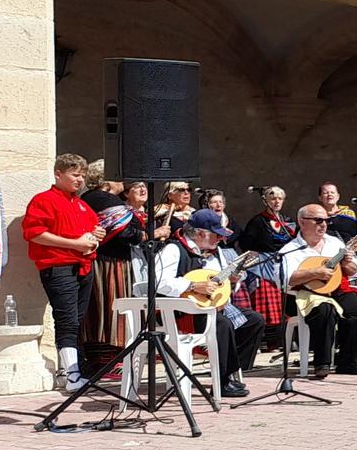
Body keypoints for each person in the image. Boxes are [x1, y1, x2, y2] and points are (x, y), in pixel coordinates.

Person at [154, 209, 262, 399]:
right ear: (200, 233)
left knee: (254, 321)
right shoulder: (173, 249)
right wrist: (193, 285)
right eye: (217, 235)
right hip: (183, 312)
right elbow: (158, 282)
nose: (220, 239)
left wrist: (232, 282)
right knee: (222, 324)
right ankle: (222, 380)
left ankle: (229, 370)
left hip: (210, 307)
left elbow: (218, 285)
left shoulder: (216, 253)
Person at [23, 154, 104, 392]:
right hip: (58, 266)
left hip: (83, 266)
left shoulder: (80, 204)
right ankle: (72, 375)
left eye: (82, 175)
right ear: (58, 174)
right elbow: (34, 232)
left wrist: (95, 238)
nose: (79, 180)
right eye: (74, 174)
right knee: (67, 319)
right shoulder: (44, 200)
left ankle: (70, 369)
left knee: (76, 319)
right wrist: (75, 244)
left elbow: (93, 231)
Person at [283, 202, 357, 377]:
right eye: (318, 220)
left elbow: (354, 272)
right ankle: (322, 363)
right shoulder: (291, 249)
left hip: (337, 288)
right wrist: (314, 272)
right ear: (302, 222)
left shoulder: (335, 242)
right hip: (309, 292)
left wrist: (347, 264)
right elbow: (286, 280)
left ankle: (349, 362)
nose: (323, 224)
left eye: (326, 221)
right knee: (324, 311)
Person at [79, 164, 144, 375]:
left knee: (101, 309)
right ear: (106, 180)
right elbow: (128, 231)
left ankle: (103, 358)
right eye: (117, 176)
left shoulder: (90, 198)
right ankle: (109, 359)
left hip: (104, 260)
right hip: (110, 263)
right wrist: (143, 234)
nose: (122, 181)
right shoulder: (104, 199)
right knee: (111, 308)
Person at [239, 187, 296, 255]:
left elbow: (294, 241)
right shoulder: (257, 221)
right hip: (265, 260)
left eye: (280, 199)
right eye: (273, 199)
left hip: (286, 258)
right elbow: (245, 244)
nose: (277, 201)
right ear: (265, 202)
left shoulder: (288, 220)